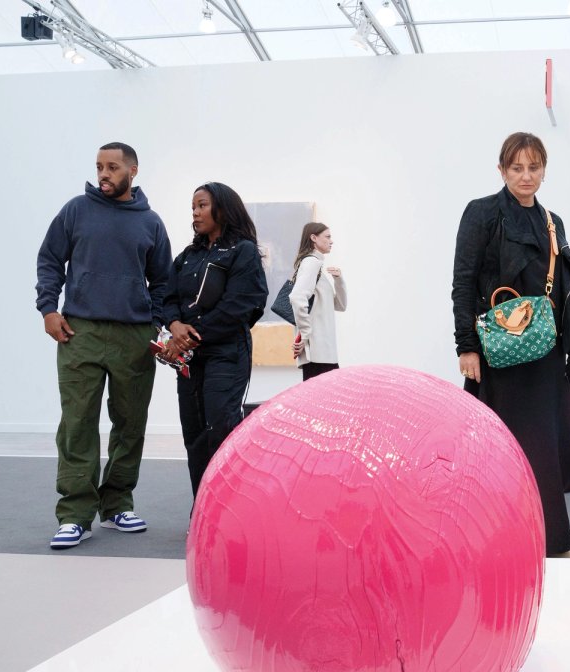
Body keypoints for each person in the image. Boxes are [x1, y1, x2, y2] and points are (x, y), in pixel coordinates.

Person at [451, 132, 570, 559]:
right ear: (502, 170)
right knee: (497, 448)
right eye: (516, 168)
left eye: (534, 167)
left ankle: (550, 539)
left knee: (547, 448)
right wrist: (466, 346)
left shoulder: (552, 221)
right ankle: (494, 541)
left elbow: (563, 290)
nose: (526, 176)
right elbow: (463, 282)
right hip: (498, 353)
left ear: (544, 169)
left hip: (544, 352)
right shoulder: (482, 213)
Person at [36, 142, 172, 550]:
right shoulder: (76, 210)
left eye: (112, 167)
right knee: (78, 422)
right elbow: (49, 259)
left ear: (132, 170)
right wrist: (48, 309)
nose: (104, 174)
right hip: (80, 332)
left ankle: (116, 505)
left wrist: (155, 323)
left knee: (130, 423)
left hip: (135, 335)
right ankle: (75, 515)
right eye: (99, 167)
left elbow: (163, 281)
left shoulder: (150, 222)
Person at [161, 182, 268, 497]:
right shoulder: (188, 256)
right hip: (191, 358)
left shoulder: (243, 251)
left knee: (220, 429)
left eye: (202, 205)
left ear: (223, 208)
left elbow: (240, 306)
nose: (195, 213)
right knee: (194, 434)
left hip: (226, 353)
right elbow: (168, 298)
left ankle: (227, 508)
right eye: (193, 207)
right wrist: (174, 325)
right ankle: (202, 508)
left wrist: (190, 335)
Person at [289, 222, 348, 380]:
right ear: (314, 238)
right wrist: (305, 334)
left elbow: (340, 305)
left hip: (324, 351)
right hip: (317, 352)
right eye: (327, 237)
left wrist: (339, 280)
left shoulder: (316, 266)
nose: (331, 241)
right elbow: (297, 297)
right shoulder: (311, 263)